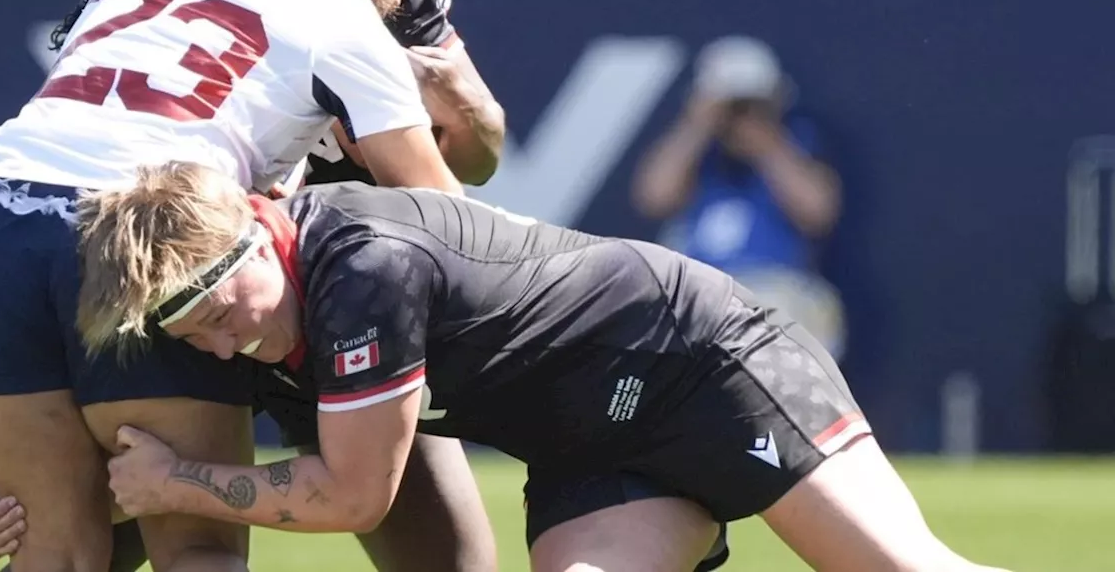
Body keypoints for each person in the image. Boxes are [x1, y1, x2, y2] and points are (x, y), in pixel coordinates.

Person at [0, 0, 499, 572]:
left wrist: (29, 486)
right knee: (198, 546)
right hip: (165, 232)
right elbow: (444, 217)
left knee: (54, 553)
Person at [74, 161, 1011, 572]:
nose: (222, 341)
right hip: (590, 451)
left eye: (221, 309)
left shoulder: (360, 267)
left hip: (703, 363)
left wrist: (180, 483)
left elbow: (352, 495)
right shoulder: (254, 310)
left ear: (256, 233)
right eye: (189, 330)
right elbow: (112, 468)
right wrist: (12, 503)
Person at [632, 35, 848, 358]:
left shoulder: (798, 144)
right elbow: (653, 197)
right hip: (699, 295)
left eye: (750, 105)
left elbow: (819, 212)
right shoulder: (697, 156)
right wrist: (698, 126)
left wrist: (768, 145)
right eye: (731, 107)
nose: (738, 117)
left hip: (777, 294)